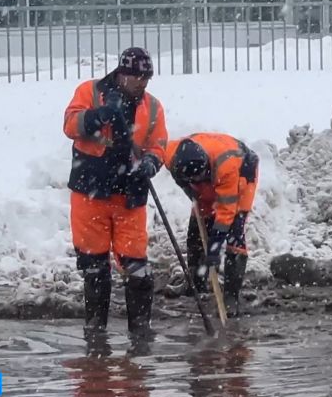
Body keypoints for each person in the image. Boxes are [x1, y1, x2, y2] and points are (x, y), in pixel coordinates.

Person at [63, 47, 167, 337]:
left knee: (137, 269)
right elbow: (70, 125)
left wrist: (151, 162)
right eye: (137, 78)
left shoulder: (153, 107)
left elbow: (159, 144)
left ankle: (140, 334)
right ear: (122, 74)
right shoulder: (89, 91)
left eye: (146, 78)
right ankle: (96, 333)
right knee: (94, 268)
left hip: (129, 195)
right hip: (90, 192)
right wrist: (98, 116)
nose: (142, 84)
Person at [164, 133, 259, 317]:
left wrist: (214, 247)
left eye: (199, 176)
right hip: (206, 175)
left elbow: (225, 213)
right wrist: (190, 188)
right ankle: (195, 283)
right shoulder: (172, 155)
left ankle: (230, 297)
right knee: (197, 227)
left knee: (235, 230)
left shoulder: (227, 167)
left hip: (242, 171)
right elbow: (154, 153)